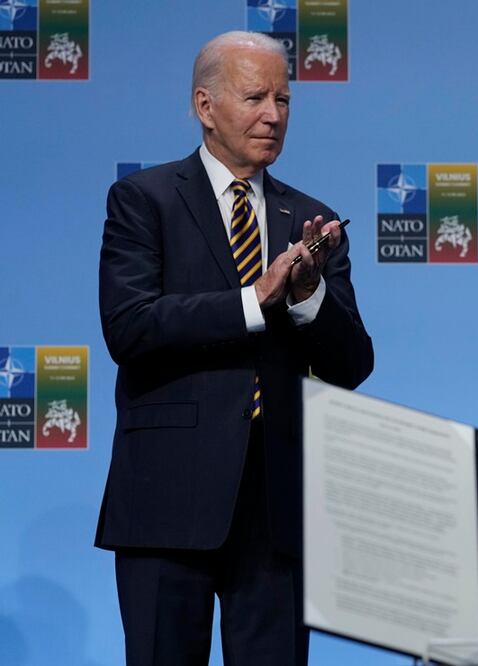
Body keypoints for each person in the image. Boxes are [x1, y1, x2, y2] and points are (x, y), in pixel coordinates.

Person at [95, 31, 374, 665]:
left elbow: (353, 363)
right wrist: (256, 300)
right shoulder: (144, 201)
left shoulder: (315, 221)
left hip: (276, 506)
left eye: (283, 99)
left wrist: (306, 299)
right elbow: (130, 326)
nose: (273, 115)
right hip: (167, 498)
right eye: (254, 97)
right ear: (204, 105)